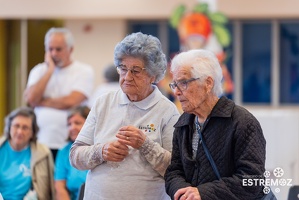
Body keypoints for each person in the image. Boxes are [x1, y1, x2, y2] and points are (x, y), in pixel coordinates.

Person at [69, 32, 180, 200]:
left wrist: (145, 145)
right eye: (123, 68)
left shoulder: (167, 111)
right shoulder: (103, 103)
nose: (127, 77)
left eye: (136, 71)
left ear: (153, 75)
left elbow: (176, 169)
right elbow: (75, 156)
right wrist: (101, 151)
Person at [164, 49, 267, 200]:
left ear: (208, 83)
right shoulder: (184, 123)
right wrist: (183, 191)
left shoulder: (242, 122)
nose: (177, 92)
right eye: (175, 84)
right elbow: (174, 171)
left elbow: (252, 180)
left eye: (184, 83)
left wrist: (203, 193)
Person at [24, 27, 95, 160]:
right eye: (50, 49)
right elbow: (31, 99)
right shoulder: (39, 71)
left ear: (71, 49)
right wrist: (49, 71)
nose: (54, 53)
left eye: (58, 49)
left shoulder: (84, 71)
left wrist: (42, 101)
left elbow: (72, 101)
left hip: (71, 143)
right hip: (42, 142)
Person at [0, 106, 55, 199]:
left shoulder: (43, 153)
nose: (19, 131)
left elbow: (50, 189)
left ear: (32, 132)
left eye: (25, 128)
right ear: (9, 127)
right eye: (16, 126)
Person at [54, 106, 90, 200]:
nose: (72, 127)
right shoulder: (64, 152)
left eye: (77, 123)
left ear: (89, 124)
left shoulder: (99, 148)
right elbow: (60, 187)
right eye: (69, 124)